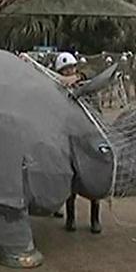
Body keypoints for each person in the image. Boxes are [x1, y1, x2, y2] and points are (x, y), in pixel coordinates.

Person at [52, 52, 102, 234]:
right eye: (64, 70)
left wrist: (79, 77)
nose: (68, 72)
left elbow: (95, 72)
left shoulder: (87, 85)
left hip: (89, 137)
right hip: (69, 139)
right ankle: (71, 218)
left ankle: (95, 219)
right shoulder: (56, 89)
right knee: (71, 180)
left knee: (93, 178)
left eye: (71, 68)